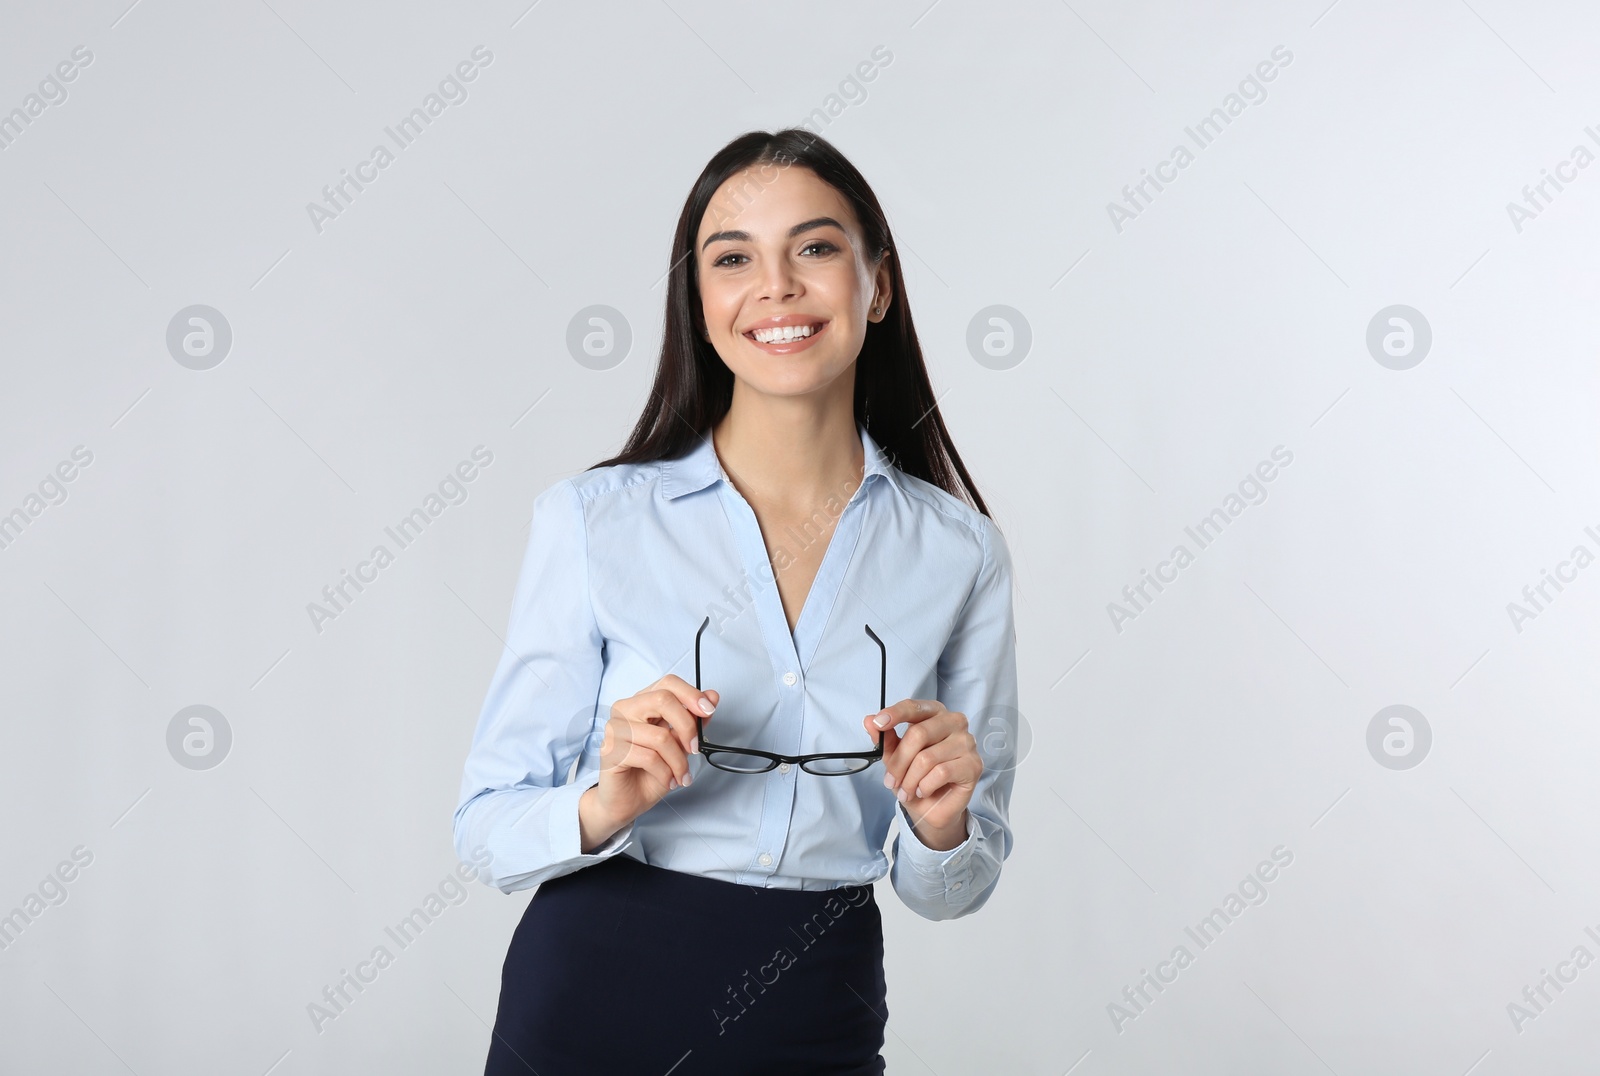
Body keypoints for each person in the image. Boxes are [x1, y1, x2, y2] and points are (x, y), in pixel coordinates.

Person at [454, 127, 1020, 1075]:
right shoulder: (594, 524)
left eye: (816, 247)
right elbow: (486, 827)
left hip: (818, 1007)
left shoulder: (959, 553)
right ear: (701, 304)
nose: (777, 287)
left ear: (877, 285)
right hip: (594, 991)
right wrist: (605, 803)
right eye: (732, 259)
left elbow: (952, 889)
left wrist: (941, 824)